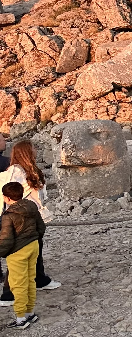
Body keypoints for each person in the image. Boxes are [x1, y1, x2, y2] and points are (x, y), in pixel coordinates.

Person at [0, 141, 57, 306]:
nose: (36, 150)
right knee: (19, 254)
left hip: (34, 216)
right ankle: (8, 294)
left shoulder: (30, 170)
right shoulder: (15, 171)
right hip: (21, 218)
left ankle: (40, 279)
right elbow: (7, 190)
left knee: (36, 249)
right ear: (26, 151)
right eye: (33, 148)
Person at [0, 182, 42, 330]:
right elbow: (41, 227)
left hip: (17, 252)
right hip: (33, 245)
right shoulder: (31, 206)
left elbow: (6, 239)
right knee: (31, 280)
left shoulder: (9, 215)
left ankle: (20, 318)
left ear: (6, 197)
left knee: (18, 284)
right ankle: (30, 313)